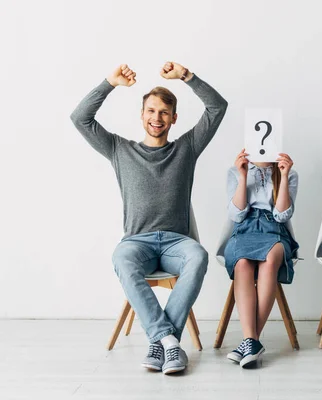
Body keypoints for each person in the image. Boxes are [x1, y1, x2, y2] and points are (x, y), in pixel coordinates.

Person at [70, 62, 228, 374]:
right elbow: (80, 118)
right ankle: (169, 342)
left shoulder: (187, 148)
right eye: (151, 111)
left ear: (174, 118)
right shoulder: (118, 149)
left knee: (198, 256)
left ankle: (159, 341)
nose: (157, 118)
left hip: (176, 243)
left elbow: (217, 107)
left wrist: (187, 76)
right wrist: (110, 83)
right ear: (142, 115)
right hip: (137, 243)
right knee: (122, 259)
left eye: (164, 113)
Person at [223, 149, 299, 368]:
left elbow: (282, 215)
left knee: (270, 261)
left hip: (274, 230)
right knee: (242, 263)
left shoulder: (288, 172)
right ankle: (252, 341)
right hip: (243, 229)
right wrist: (243, 176)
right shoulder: (235, 171)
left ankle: (249, 342)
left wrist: (284, 176)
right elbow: (236, 214)